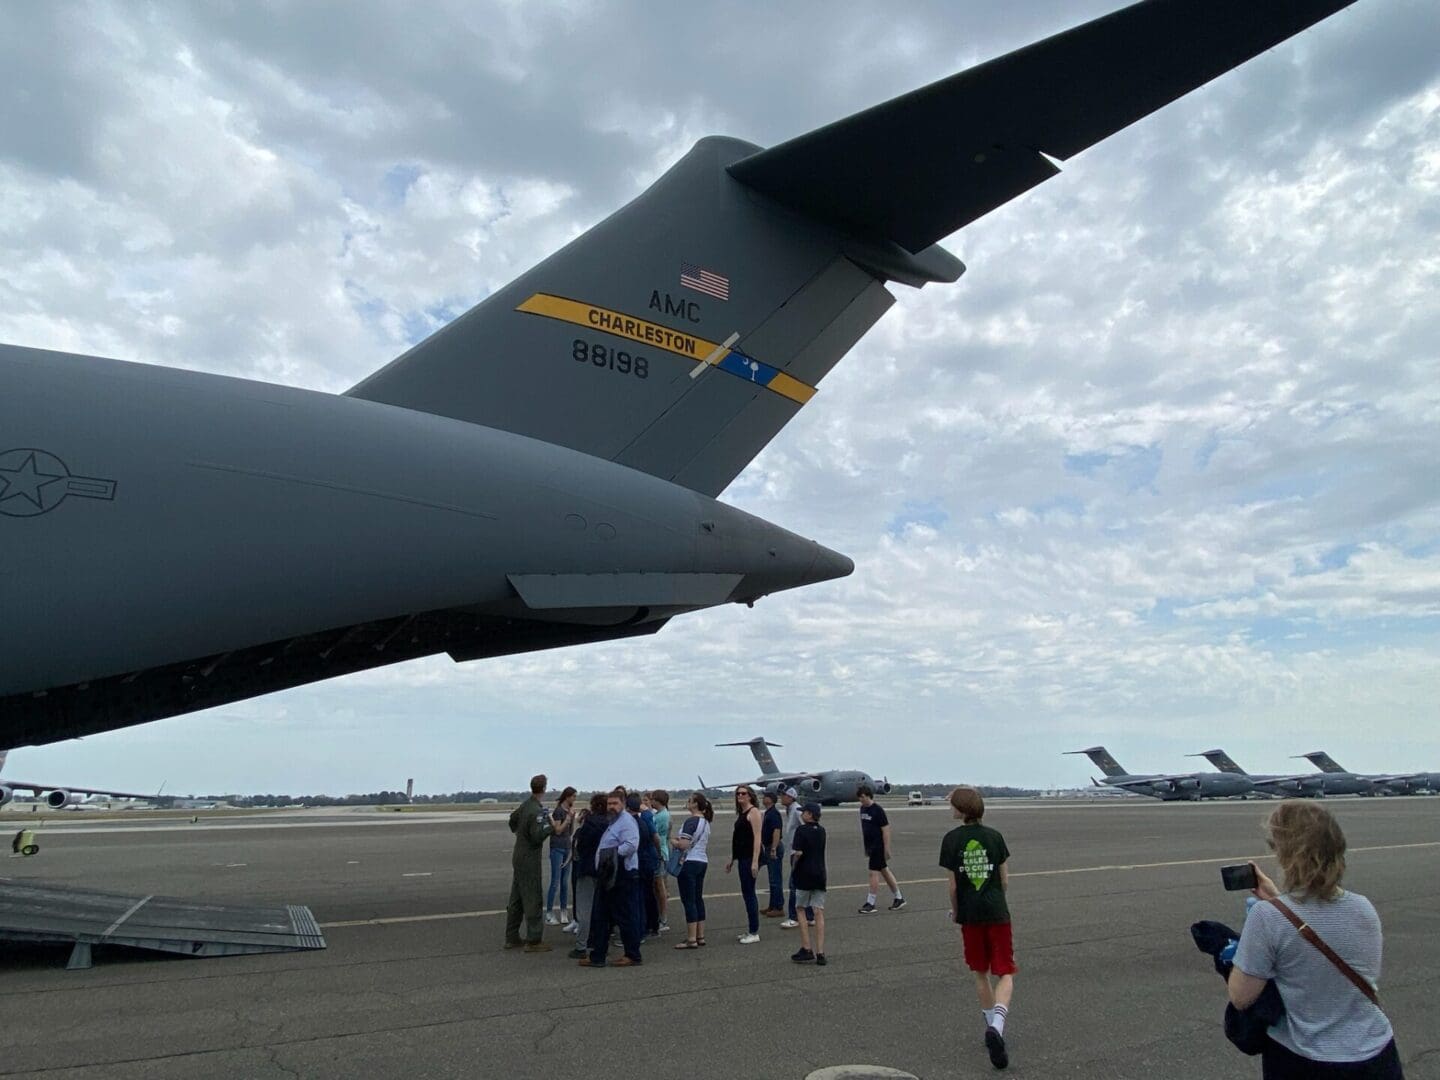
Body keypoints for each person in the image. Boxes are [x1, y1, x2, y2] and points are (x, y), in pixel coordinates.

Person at [1227, 801, 1402, 1079]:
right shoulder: (1364, 908)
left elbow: (1241, 997)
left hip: (1306, 1060)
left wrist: (1234, 954)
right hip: (1376, 1055)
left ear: (1287, 856)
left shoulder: (1266, 918)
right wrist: (1277, 901)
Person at [939, 785, 1014, 1071]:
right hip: (996, 912)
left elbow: (953, 886)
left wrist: (956, 912)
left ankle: (990, 1026)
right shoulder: (995, 837)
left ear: (961, 810)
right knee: (1005, 971)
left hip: (969, 915)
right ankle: (998, 1024)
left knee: (980, 972)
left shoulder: (951, 840)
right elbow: (1004, 880)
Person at [581, 789, 643, 968]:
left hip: (622, 874)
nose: (611, 807)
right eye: (609, 804)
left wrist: (612, 856)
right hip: (608, 875)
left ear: (623, 804)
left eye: (615, 803)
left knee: (625, 916)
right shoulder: (613, 821)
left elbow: (632, 845)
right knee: (601, 915)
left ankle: (633, 954)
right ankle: (597, 956)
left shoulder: (627, 822)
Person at [504, 773, 555, 953]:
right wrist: (551, 827)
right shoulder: (536, 810)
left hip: (519, 854)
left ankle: (511, 936)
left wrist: (519, 832)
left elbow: (513, 820)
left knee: (517, 897)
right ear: (544, 788)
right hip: (529, 858)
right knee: (533, 896)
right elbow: (536, 836)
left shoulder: (526, 805)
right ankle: (534, 940)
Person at [568, 792, 608, 959]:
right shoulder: (610, 823)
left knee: (584, 909)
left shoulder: (590, 823)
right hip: (604, 869)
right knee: (602, 910)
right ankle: (598, 941)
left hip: (587, 868)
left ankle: (581, 946)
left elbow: (580, 845)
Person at [789, 801, 828, 965]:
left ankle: (806, 947)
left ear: (810, 815)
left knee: (800, 909)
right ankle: (820, 951)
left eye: (804, 812)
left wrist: (793, 866)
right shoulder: (821, 831)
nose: (802, 814)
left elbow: (798, 852)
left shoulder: (801, 830)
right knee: (818, 911)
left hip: (804, 873)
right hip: (820, 873)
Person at [672, 792, 713, 949]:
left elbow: (683, 844)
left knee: (688, 900)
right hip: (702, 861)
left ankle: (691, 938)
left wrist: (674, 841)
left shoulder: (691, 821)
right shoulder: (706, 822)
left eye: (690, 801)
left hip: (689, 862)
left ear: (695, 804)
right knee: (697, 898)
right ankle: (700, 935)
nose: (687, 803)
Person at [857, 784, 904, 914]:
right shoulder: (862, 810)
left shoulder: (877, 810)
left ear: (868, 796)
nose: (861, 800)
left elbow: (886, 829)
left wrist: (887, 848)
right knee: (884, 871)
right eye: (859, 798)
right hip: (870, 846)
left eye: (862, 797)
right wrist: (866, 847)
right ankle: (899, 897)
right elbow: (865, 829)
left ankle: (871, 902)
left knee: (873, 873)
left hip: (878, 845)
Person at [725, 784, 763, 943]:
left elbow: (757, 838)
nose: (739, 796)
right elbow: (738, 838)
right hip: (742, 857)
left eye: (743, 793)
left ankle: (754, 931)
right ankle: (750, 929)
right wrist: (732, 859)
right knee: (746, 893)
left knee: (749, 893)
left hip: (749, 858)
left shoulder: (753, 812)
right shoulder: (742, 813)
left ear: (750, 795)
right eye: (738, 794)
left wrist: (755, 861)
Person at [778, 787, 815, 930]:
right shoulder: (790, 809)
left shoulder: (797, 810)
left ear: (791, 797)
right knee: (801, 885)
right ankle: (809, 916)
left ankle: (794, 917)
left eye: (784, 796)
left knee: (795, 884)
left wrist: (802, 848)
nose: (781, 798)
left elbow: (806, 825)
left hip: (797, 852)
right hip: (793, 850)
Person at [545, 786, 577, 927]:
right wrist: (567, 820)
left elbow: (569, 832)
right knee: (555, 881)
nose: (574, 799)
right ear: (567, 797)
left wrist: (572, 819)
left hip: (566, 847)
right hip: (557, 848)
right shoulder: (558, 811)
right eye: (573, 796)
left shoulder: (569, 812)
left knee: (565, 882)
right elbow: (557, 830)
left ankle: (564, 911)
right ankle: (549, 912)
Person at [636, 793, 661, 936]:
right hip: (647, 857)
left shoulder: (645, 816)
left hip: (646, 859)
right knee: (648, 892)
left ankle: (650, 925)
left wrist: (658, 853)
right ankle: (652, 924)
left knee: (647, 893)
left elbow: (655, 836)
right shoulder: (646, 815)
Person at [760, 791, 785, 916]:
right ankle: (772, 905)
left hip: (773, 846)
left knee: (775, 878)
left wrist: (774, 848)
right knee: (772, 878)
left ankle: (778, 907)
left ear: (770, 799)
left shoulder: (774, 813)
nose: (763, 798)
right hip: (768, 846)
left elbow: (776, 831)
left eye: (765, 797)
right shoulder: (768, 813)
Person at [651, 789, 672, 933]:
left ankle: (663, 919)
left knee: (660, 887)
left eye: (652, 799)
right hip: (662, 851)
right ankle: (660, 917)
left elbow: (657, 836)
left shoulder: (661, 816)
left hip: (660, 853)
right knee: (658, 887)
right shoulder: (662, 814)